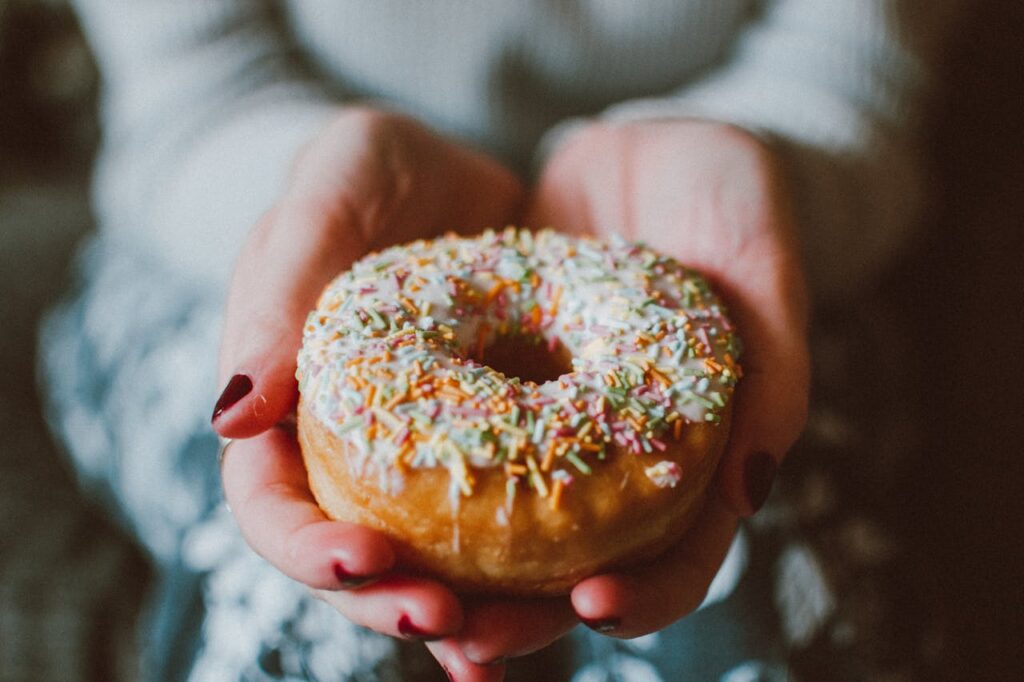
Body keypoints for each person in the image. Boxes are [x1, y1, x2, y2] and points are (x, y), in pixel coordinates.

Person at [42, 1, 957, 680]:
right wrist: (307, 200)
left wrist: (754, 164)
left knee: (773, 593)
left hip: (738, 251)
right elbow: (194, 92)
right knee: (285, 608)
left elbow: (852, 67)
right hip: (254, 232)